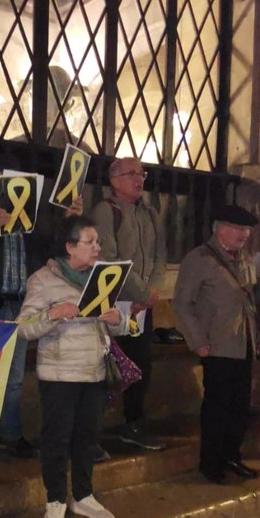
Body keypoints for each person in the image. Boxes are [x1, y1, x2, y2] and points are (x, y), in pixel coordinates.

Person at [0, 159, 82, 459]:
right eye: (2, 176)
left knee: (14, 378)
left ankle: (9, 435)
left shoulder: (31, 216)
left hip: (19, 305)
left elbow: (53, 250)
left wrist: (66, 219)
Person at [18, 216, 129, 518]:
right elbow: (22, 328)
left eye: (98, 242)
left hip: (94, 371)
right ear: (69, 246)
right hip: (59, 373)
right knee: (56, 439)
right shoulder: (43, 279)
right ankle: (55, 499)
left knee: (87, 438)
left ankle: (83, 495)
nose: (97, 248)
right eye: (89, 242)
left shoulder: (103, 275)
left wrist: (115, 318)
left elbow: (120, 324)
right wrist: (53, 314)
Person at [172, 205, 260, 485]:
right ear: (220, 228)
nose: (245, 234)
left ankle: (232, 455)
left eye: (247, 230)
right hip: (216, 346)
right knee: (217, 407)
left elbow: (246, 302)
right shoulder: (199, 259)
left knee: (240, 406)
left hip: (242, 343)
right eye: (239, 228)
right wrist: (198, 342)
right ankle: (211, 463)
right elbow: (182, 304)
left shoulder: (244, 259)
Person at [91, 157, 168, 453]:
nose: (139, 179)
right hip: (115, 303)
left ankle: (133, 423)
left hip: (142, 305)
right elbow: (108, 257)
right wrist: (141, 291)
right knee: (105, 366)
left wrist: (152, 291)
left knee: (140, 364)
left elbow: (161, 255)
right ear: (114, 180)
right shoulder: (105, 211)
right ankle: (92, 432)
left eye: (142, 173)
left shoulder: (149, 213)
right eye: (131, 174)